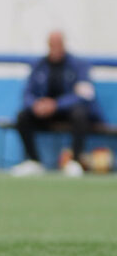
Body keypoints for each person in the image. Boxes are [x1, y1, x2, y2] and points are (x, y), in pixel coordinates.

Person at [10, 30, 104, 177]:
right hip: (45, 113)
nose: (55, 48)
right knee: (22, 116)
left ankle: (75, 161)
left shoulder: (79, 65)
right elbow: (27, 93)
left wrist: (56, 105)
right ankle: (34, 162)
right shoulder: (38, 65)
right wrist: (36, 105)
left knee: (80, 114)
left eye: (58, 44)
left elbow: (84, 95)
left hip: (68, 112)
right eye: (52, 44)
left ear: (64, 44)